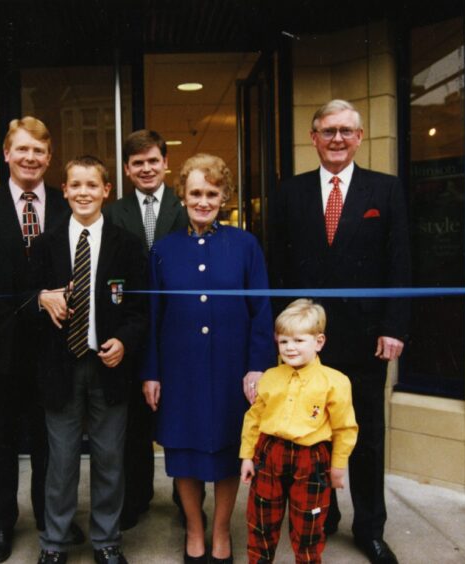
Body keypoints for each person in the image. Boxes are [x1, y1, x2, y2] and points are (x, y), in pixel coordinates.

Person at [270, 99, 411, 564]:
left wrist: (393, 327)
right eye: (328, 131)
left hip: (366, 340)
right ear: (313, 137)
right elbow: (277, 268)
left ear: (359, 136)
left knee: (366, 437)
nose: (336, 139)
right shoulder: (289, 193)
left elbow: (400, 263)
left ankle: (370, 529)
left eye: (346, 131)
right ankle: (321, 516)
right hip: (305, 344)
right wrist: (283, 336)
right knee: (310, 436)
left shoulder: (385, 191)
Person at [0, 117, 81, 563]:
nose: (30, 158)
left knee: (52, 439)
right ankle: (3, 522)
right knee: (1, 439)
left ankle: (52, 519)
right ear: (6, 153)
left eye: (39, 152)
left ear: (49, 159)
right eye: (22, 150)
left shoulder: (68, 208)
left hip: (53, 346)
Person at [142, 153, 274, 563]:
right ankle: (194, 532)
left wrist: (257, 366)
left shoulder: (245, 245)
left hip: (232, 370)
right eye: (195, 192)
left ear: (225, 197)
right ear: (182, 195)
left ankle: (220, 533)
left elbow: (262, 311)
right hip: (180, 370)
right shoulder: (164, 250)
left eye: (211, 193)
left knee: (229, 450)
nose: (203, 201)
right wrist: (152, 372)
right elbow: (152, 317)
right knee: (183, 450)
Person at [32, 156, 148, 564]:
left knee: (109, 458)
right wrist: (40, 298)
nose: (83, 192)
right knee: (61, 461)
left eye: (91, 185)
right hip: (60, 367)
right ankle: (55, 541)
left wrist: (124, 341)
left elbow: (138, 308)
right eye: (75, 185)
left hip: (108, 366)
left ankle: (106, 539)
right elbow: (26, 299)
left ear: (106, 191)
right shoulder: (44, 245)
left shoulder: (127, 244)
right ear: (63, 191)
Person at [103, 129, 187, 530]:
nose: (146, 168)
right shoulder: (113, 212)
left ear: (165, 162)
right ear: (126, 169)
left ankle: (185, 497)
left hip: (178, 326)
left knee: (180, 413)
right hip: (132, 327)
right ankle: (135, 497)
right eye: (137, 163)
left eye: (153, 160)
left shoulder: (185, 206)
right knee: (134, 421)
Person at [240, 299, 358, 563]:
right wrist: (247, 456)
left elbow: (345, 427)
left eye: (298, 340)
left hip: (311, 459)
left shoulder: (334, 381)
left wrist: (338, 465)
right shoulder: (270, 377)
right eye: (283, 342)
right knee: (261, 521)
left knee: (308, 527)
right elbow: (254, 419)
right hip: (269, 454)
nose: (290, 348)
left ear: (319, 341)